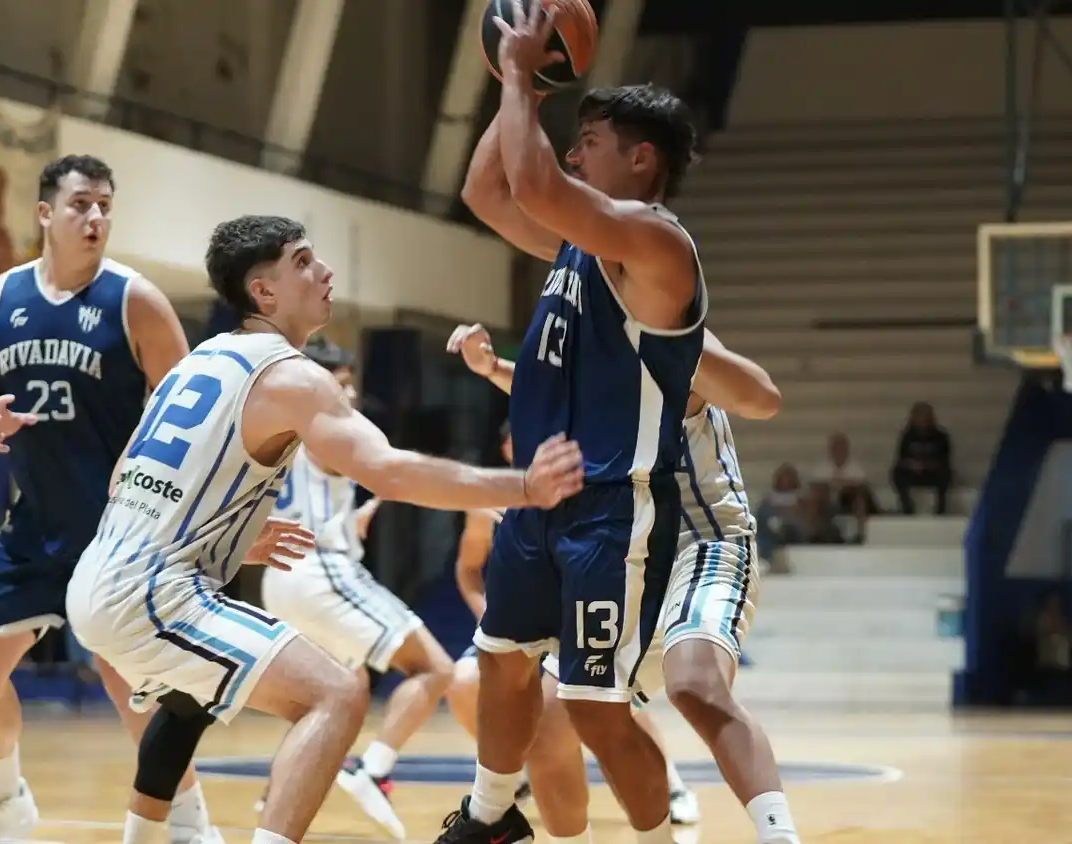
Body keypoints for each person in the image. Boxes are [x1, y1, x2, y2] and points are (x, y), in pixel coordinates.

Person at [65, 215, 585, 844]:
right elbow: (389, 472)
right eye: (304, 261)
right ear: (263, 291)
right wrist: (524, 487)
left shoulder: (196, 362)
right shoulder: (291, 375)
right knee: (335, 695)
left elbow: (126, 474)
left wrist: (219, 533)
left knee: (185, 703)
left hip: (99, 576)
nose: (325, 271)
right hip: (152, 594)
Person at [440, 6, 706, 841]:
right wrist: (518, 80)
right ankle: (490, 816)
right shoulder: (580, 246)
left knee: (595, 709)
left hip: (611, 509)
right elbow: (487, 192)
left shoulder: (656, 244)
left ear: (641, 159)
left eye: (589, 142)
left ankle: (659, 838)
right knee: (500, 660)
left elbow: (534, 186)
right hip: (538, 497)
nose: (573, 153)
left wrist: (524, 74)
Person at [0, 154, 221, 844]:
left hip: (117, 531)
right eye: (81, 204)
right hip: (35, 524)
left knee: (125, 685)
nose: (95, 217)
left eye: (104, 207)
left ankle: (189, 822)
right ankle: (3, 803)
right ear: (45, 214)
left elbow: (195, 414)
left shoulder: (135, 300)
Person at [450, 324, 803, 844]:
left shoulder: (667, 329)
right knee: (550, 720)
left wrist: (676, 344)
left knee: (693, 683)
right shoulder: (586, 337)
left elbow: (763, 397)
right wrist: (493, 368)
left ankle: (778, 834)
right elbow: (561, 390)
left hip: (702, 542)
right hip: (626, 553)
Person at [445, 422, 700, 826]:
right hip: (521, 623)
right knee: (463, 682)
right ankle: (523, 771)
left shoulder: (586, 485)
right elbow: (468, 568)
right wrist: (486, 613)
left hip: (578, 617)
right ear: (507, 448)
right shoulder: (490, 502)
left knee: (612, 702)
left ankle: (671, 785)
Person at [254, 337, 457, 839]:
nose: (349, 395)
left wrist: (349, 519)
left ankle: (274, 798)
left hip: (280, 574)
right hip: (320, 571)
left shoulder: (273, 429)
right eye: (340, 384)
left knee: (339, 692)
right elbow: (393, 471)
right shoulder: (326, 427)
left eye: (351, 385)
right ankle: (375, 770)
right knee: (435, 668)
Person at [890, 401, 953, 515]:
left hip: (932, 473)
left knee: (946, 473)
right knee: (897, 472)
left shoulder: (941, 437)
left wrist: (927, 465)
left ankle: (940, 507)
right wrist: (911, 464)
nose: (921, 421)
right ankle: (906, 504)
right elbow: (901, 458)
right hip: (913, 473)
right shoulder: (907, 436)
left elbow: (945, 460)